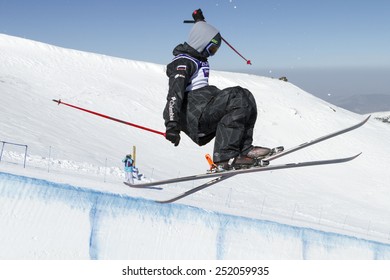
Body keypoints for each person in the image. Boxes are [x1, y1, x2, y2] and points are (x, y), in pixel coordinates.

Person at [163, 9, 272, 170]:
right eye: (212, 49)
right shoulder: (183, 62)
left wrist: (199, 21)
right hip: (195, 116)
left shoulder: (197, 57)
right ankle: (225, 155)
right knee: (237, 96)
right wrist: (171, 124)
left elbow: (201, 33)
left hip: (204, 107)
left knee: (246, 96)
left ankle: (244, 150)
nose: (212, 53)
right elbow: (174, 94)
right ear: (201, 43)